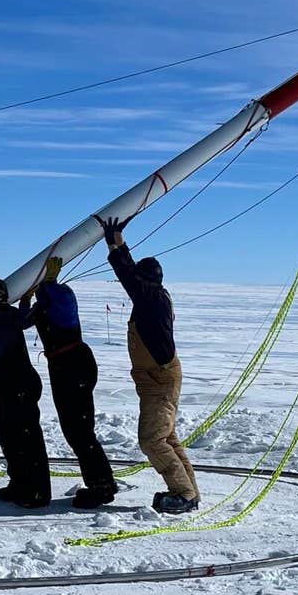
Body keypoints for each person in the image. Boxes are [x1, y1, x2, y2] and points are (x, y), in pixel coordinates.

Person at [98, 215, 200, 514]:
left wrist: (115, 240)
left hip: (160, 380)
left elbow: (127, 273)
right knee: (166, 437)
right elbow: (131, 275)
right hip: (157, 379)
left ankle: (183, 493)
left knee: (152, 440)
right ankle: (188, 492)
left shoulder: (151, 299)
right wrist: (116, 240)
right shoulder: (152, 297)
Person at [19, 255, 118, 508]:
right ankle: (101, 482)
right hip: (64, 367)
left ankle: (102, 486)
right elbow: (24, 322)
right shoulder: (45, 306)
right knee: (75, 430)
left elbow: (59, 302)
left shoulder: (62, 297)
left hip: (74, 366)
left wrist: (49, 283)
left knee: (80, 430)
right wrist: (26, 299)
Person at [0, 277, 51, 508]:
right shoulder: (10, 316)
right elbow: (25, 319)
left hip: (17, 388)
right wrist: (25, 302)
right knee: (10, 438)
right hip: (12, 387)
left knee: (24, 440)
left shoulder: (1, 324)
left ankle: (36, 492)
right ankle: (20, 484)